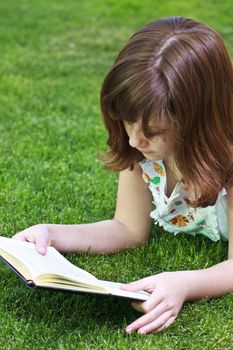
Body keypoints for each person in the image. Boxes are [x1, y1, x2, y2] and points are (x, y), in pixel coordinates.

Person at [12, 16, 233, 335]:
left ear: (196, 121)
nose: (133, 141)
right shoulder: (143, 151)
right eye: (127, 121)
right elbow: (127, 228)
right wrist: (51, 234)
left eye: (152, 131)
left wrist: (185, 283)